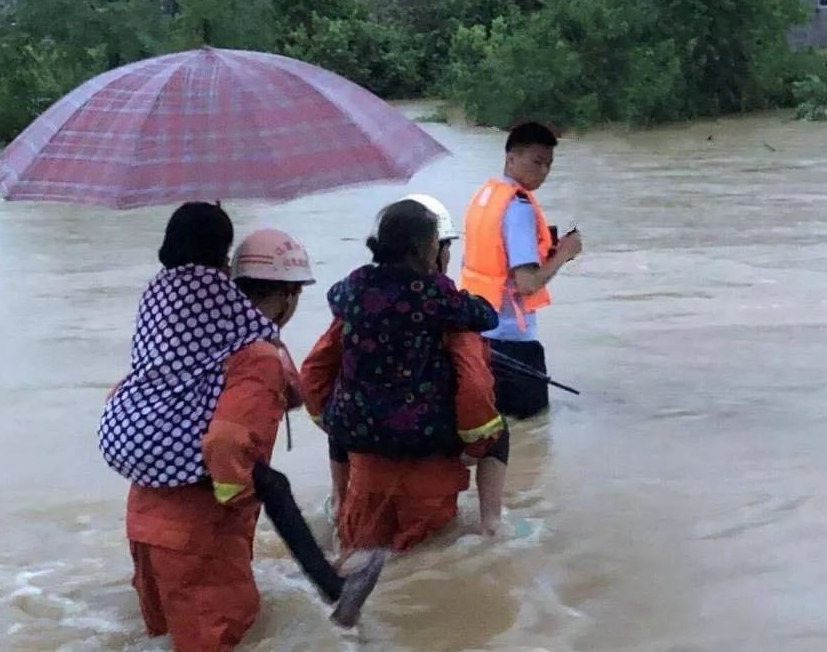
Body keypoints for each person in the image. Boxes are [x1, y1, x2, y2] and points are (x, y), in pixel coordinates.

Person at [99, 204, 384, 652]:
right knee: (219, 638)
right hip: (200, 535)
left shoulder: (178, 329)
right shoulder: (253, 355)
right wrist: (243, 492)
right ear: (289, 296)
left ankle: (333, 585)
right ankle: (335, 588)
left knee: (165, 638)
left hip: (144, 520)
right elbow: (228, 441)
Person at [302, 194, 509, 536]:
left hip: (356, 428)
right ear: (423, 249)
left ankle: (339, 502)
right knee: (500, 431)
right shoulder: (433, 293)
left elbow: (325, 330)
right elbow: (484, 319)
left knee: (343, 400)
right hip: (421, 432)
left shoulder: (356, 285)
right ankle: (492, 525)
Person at [460, 121, 583, 419]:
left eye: (549, 165)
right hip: (513, 340)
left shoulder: (485, 195)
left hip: (477, 335)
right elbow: (527, 283)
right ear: (511, 157)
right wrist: (564, 254)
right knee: (532, 430)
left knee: (494, 431)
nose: (543, 172)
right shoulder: (518, 206)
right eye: (536, 162)